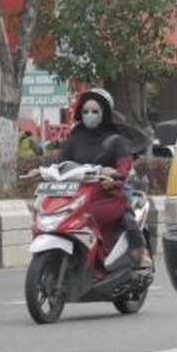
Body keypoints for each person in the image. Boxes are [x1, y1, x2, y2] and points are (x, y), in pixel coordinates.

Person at [52, 89, 152, 270]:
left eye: (95, 111)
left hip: (110, 193)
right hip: (78, 195)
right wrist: (42, 173)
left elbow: (124, 167)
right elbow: (60, 165)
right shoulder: (74, 140)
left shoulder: (116, 141)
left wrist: (115, 176)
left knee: (126, 217)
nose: (90, 115)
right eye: (86, 111)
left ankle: (140, 251)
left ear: (105, 113)